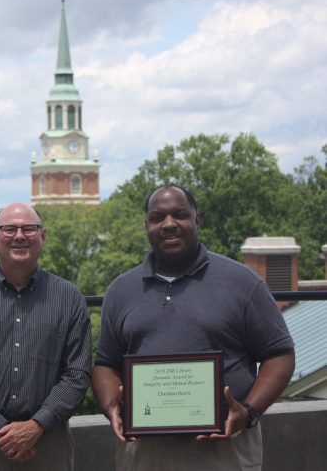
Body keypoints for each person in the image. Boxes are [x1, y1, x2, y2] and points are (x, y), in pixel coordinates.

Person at [92, 184, 295, 471]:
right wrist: (112, 406)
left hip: (224, 446)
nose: (169, 224)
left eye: (180, 215)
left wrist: (248, 412)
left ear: (197, 220)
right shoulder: (121, 290)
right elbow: (105, 364)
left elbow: (280, 354)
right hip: (144, 450)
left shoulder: (241, 282)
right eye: (157, 217)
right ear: (147, 225)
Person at [0, 202, 92, 471]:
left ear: (42, 237)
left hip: (48, 442)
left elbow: (77, 374)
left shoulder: (69, 299)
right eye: (9, 229)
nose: (20, 236)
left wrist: (36, 425)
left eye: (29, 229)